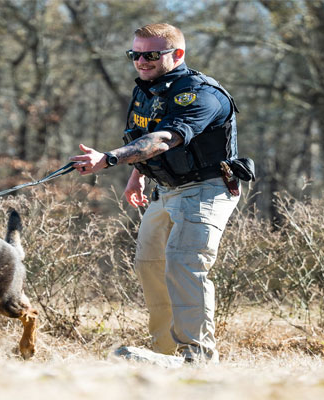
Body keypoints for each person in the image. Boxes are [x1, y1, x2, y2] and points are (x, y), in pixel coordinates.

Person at [69, 23, 250, 363]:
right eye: (135, 54)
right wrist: (136, 175)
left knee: (185, 262)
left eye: (151, 54)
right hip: (165, 189)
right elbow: (145, 136)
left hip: (206, 189)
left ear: (176, 54)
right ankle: (165, 352)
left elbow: (167, 138)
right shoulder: (148, 90)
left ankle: (197, 356)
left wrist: (109, 160)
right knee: (150, 264)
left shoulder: (201, 94)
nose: (141, 61)